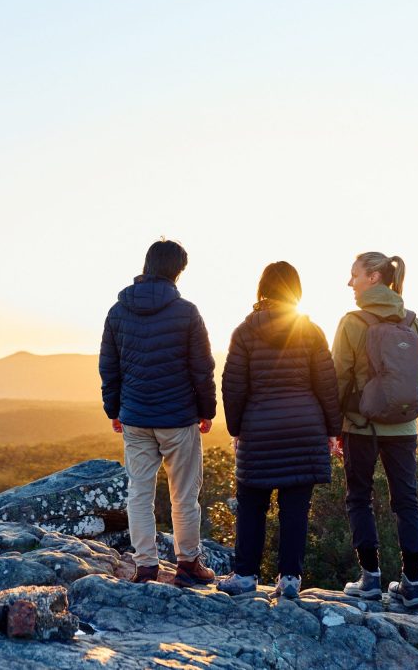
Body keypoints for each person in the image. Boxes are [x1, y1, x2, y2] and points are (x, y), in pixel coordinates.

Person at [217, 262, 342, 598]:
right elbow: (327, 384)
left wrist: (236, 428)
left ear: (263, 289)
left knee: (252, 503)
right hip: (305, 427)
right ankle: (289, 579)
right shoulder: (310, 330)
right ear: (295, 292)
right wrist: (333, 429)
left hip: (258, 428)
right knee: (295, 509)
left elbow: (233, 386)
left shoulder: (244, 331)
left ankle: (244, 576)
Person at [98, 239, 218, 587]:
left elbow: (109, 367)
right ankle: (187, 565)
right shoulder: (187, 312)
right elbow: (202, 368)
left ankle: (146, 566)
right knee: (184, 495)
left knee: (138, 492)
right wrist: (206, 410)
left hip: (135, 416)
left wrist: (114, 409)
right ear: (177, 271)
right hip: (179, 418)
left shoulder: (118, 311)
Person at [333, 252, 418, 608]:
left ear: (373, 277)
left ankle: (370, 579)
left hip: (361, 426)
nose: (349, 282)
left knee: (359, 497)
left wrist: (334, 425)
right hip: (404, 428)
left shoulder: (352, 322)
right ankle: (413, 584)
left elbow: (338, 379)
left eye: (354, 274)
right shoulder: (415, 323)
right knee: (407, 502)